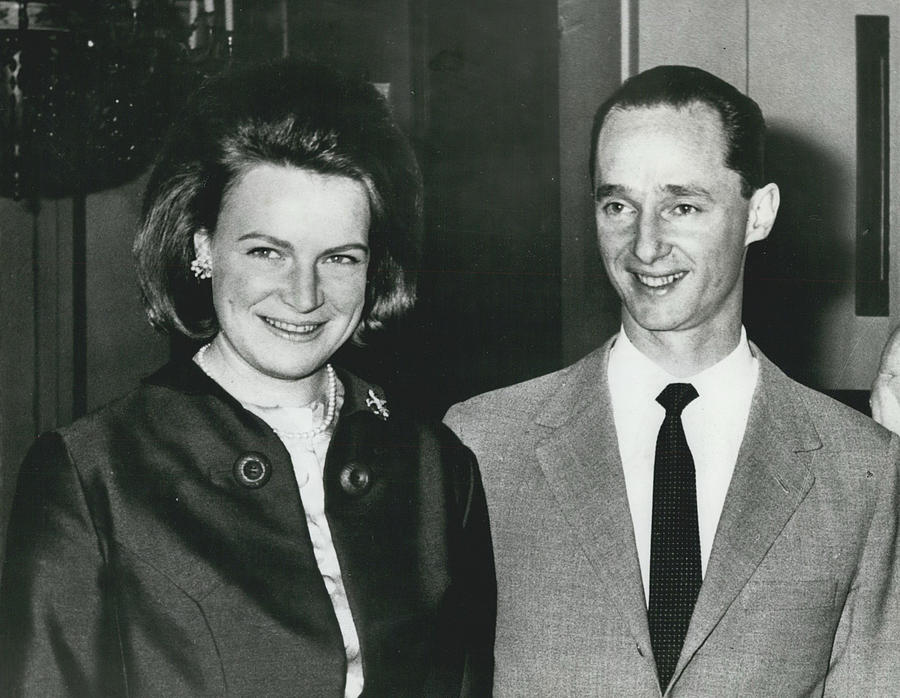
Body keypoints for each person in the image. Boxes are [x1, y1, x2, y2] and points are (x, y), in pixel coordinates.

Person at [0, 60, 495, 697]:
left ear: (374, 269)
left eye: (339, 258)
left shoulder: (438, 468)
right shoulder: (90, 475)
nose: (304, 294)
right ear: (202, 246)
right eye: (267, 251)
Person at [445, 65, 900, 696]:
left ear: (759, 213)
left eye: (682, 205)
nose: (645, 244)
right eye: (618, 206)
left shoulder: (863, 471)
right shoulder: (480, 444)